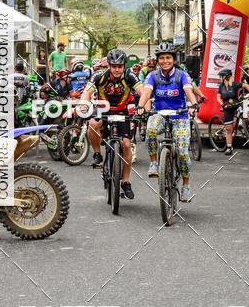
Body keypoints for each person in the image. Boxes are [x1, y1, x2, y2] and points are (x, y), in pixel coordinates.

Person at [137, 42, 199, 203]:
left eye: (168, 58)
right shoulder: (152, 76)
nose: (165, 61)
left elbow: (188, 90)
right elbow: (147, 92)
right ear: (158, 60)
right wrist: (140, 106)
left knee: (182, 152)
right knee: (150, 130)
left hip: (180, 115)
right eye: (162, 58)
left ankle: (186, 187)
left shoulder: (181, 75)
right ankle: (154, 163)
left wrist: (193, 103)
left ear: (174, 59)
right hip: (160, 114)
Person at [82, 49, 143, 200]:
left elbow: (143, 92)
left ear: (124, 66)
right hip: (103, 108)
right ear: (108, 65)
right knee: (92, 124)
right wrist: (83, 105)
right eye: (113, 66)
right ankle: (97, 154)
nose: (116, 69)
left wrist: (143, 107)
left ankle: (126, 182)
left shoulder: (130, 75)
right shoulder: (99, 75)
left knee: (127, 145)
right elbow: (86, 92)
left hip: (122, 111)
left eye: (119, 66)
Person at [216, 68, 249, 155]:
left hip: (236, 104)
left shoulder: (234, 84)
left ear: (225, 77)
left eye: (221, 76)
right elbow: (218, 97)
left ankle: (246, 127)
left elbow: (245, 85)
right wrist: (222, 104)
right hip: (227, 107)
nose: (220, 78)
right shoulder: (221, 86)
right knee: (229, 129)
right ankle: (229, 147)